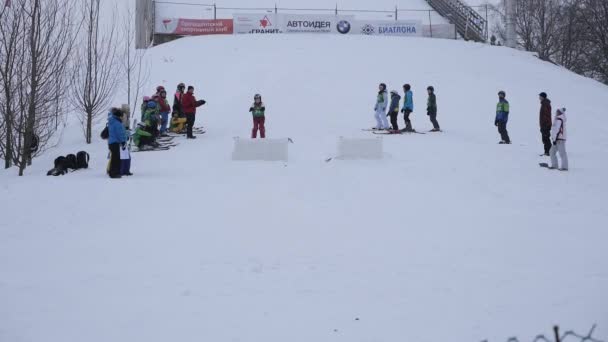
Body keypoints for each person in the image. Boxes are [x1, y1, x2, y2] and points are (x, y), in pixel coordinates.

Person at [107, 108, 127, 179]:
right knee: (116, 159)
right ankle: (114, 173)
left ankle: (112, 172)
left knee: (114, 158)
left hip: (111, 142)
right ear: (119, 116)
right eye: (121, 116)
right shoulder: (117, 123)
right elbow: (120, 134)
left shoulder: (111, 122)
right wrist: (123, 141)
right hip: (115, 142)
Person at [539, 92, 552, 156]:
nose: (539, 97)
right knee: (545, 139)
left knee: (546, 139)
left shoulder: (545, 104)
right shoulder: (544, 103)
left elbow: (546, 115)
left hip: (546, 125)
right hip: (544, 124)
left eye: (540, 96)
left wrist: (545, 125)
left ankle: (549, 152)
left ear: (543, 97)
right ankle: (547, 151)